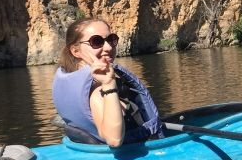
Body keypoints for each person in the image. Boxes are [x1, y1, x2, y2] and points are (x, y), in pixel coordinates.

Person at [53, 18, 164, 146]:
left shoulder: (70, 76)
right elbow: (114, 140)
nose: (108, 47)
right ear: (76, 51)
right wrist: (109, 85)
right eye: (96, 41)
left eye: (111, 39)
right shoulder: (97, 91)